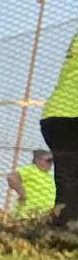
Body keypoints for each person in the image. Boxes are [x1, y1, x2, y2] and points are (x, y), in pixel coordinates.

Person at [39, 26, 78, 227]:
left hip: (55, 116)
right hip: (72, 115)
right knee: (70, 183)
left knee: (67, 182)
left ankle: (58, 231)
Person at [7, 149, 57, 218]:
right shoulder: (31, 169)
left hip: (43, 216)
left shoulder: (49, 176)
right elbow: (11, 177)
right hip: (27, 215)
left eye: (52, 162)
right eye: (48, 161)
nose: (50, 164)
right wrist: (22, 193)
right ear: (37, 160)